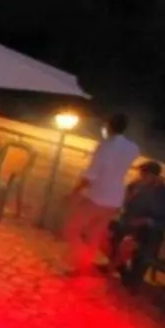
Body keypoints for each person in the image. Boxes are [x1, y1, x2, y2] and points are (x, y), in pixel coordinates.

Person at [63, 113, 142, 276]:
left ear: (108, 126)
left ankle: (79, 262)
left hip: (99, 195)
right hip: (115, 198)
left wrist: (74, 192)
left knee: (72, 228)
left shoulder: (105, 146)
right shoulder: (133, 148)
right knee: (95, 233)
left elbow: (91, 174)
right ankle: (84, 265)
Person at [109, 161, 165, 290]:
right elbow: (126, 208)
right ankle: (119, 267)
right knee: (105, 229)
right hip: (130, 226)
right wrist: (129, 194)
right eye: (141, 175)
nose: (142, 178)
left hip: (150, 233)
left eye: (145, 175)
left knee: (139, 248)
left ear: (156, 177)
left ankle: (128, 274)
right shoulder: (137, 187)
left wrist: (148, 221)